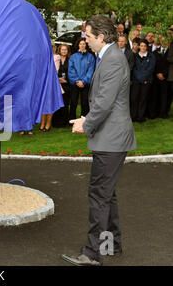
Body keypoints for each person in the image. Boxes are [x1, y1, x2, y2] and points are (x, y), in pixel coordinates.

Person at [63, 14, 136, 266]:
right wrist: (88, 119)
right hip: (110, 138)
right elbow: (106, 101)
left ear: (101, 37)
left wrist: (86, 123)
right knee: (107, 194)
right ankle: (112, 244)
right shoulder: (108, 57)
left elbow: (104, 103)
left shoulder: (113, 59)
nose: (86, 40)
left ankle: (93, 253)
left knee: (99, 195)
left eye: (89, 37)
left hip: (111, 140)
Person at [68, 38, 95, 120]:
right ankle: (72, 120)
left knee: (85, 103)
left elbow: (91, 70)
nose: (82, 45)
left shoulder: (90, 57)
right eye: (81, 44)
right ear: (78, 45)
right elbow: (71, 70)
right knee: (73, 102)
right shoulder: (73, 57)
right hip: (75, 83)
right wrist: (77, 81)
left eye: (84, 44)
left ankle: (84, 121)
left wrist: (83, 81)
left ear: (86, 45)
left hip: (85, 83)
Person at [130, 39, 156, 122]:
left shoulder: (151, 56)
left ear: (147, 47)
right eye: (141, 46)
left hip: (146, 81)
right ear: (138, 46)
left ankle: (140, 116)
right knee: (134, 98)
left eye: (144, 46)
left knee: (143, 99)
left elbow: (150, 69)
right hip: (136, 81)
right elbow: (134, 68)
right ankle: (133, 116)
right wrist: (140, 78)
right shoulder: (134, 55)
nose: (143, 47)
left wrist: (143, 79)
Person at [149, 36, 169, 119]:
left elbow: (169, 65)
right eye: (162, 41)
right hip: (156, 77)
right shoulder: (155, 52)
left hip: (166, 78)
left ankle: (163, 113)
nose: (163, 43)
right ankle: (154, 112)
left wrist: (164, 74)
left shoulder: (170, 52)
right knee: (155, 95)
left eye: (165, 41)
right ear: (160, 41)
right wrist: (157, 73)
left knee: (164, 96)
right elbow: (153, 64)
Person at [53, 44, 72, 127]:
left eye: (65, 50)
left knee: (65, 103)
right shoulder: (56, 59)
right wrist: (58, 79)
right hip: (57, 84)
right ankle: (56, 122)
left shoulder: (70, 60)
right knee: (57, 103)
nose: (64, 51)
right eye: (62, 49)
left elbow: (72, 71)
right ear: (59, 50)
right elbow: (53, 71)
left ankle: (65, 122)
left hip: (67, 84)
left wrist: (66, 80)